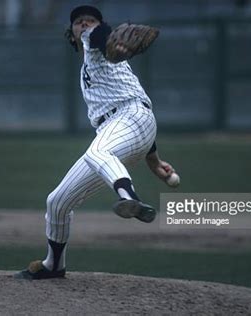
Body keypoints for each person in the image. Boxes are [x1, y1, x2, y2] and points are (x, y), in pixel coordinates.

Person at [14, 5, 176, 280]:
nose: (86, 24)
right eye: (79, 22)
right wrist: (155, 161)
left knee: (98, 151)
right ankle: (54, 265)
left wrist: (111, 40)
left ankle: (130, 199)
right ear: (71, 33)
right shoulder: (92, 64)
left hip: (130, 116)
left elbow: (103, 37)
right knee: (57, 201)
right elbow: (130, 121)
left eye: (91, 20)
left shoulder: (95, 39)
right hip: (124, 129)